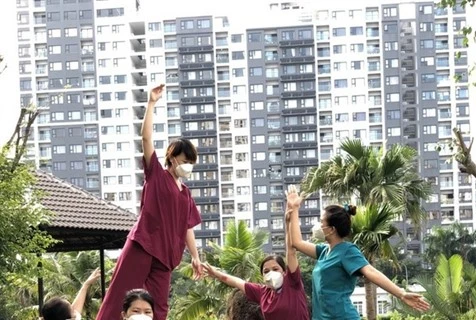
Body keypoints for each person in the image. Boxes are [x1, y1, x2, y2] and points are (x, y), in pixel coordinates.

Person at [96, 84, 203, 320]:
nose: (188, 166)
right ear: (172, 158)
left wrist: (195, 256)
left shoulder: (185, 193)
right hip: (143, 245)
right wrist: (152, 103)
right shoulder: (156, 174)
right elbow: (146, 138)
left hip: (167, 256)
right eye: (185, 160)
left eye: (192, 162)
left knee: (158, 308)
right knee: (120, 297)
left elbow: (187, 227)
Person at [286, 185, 430, 320]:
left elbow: (371, 272)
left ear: (332, 229)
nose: (319, 225)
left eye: (321, 221)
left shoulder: (347, 250)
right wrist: (294, 208)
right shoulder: (323, 251)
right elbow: (297, 243)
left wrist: (401, 294)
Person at [202, 189, 310, 320]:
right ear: (262, 275)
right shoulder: (262, 292)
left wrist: (290, 218)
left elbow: (291, 251)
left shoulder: (292, 282)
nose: (271, 272)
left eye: (275, 269)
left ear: (284, 271)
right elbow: (236, 281)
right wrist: (215, 274)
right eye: (266, 271)